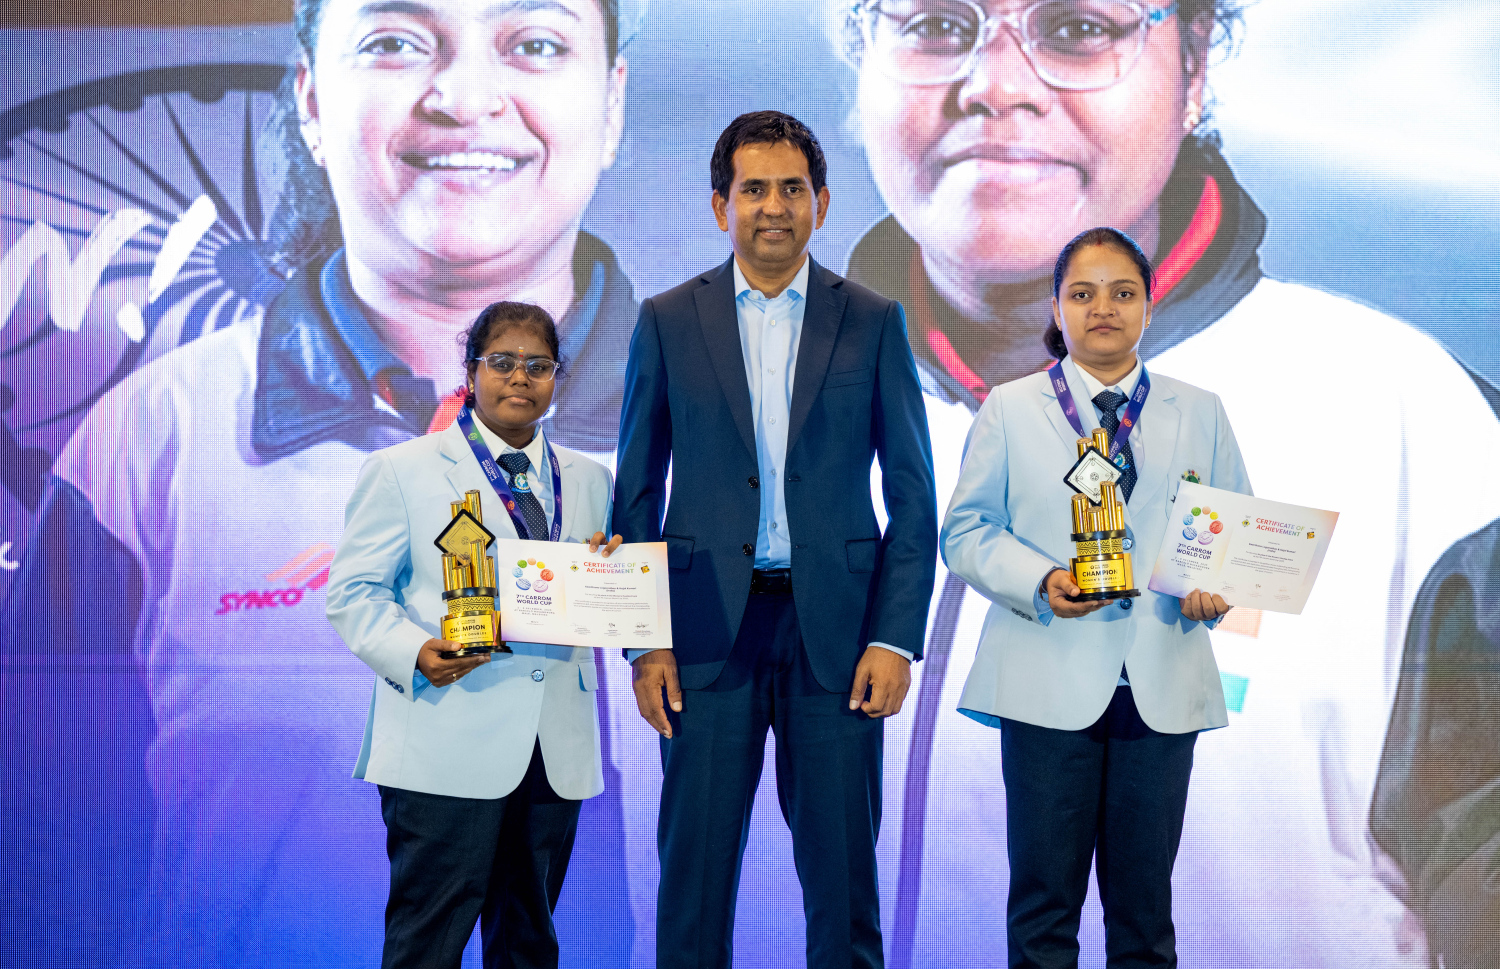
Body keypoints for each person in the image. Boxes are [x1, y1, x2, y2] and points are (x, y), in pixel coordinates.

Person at [829, 2, 1500, 963]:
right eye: (936, 22)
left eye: (1075, 29)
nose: (997, 85)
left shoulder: (1415, 434)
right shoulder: (738, 428)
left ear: (1194, 63)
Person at [0, 0, 641, 964]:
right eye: (395, 40)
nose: (465, 96)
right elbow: (43, 873)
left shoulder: (732, 441)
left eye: (535, 42)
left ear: (613, 103)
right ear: (308, 98)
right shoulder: (146, 442)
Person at [613, 110, 938, 969]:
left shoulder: (872, 319)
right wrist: (645, 642)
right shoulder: (666, 320)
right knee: (693, 890)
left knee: (844, 890)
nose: (773, 206)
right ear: (720, 205)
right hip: (702, 637)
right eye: (752, 188)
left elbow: (913, 497)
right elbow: (635, 494)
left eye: (792, 188)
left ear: (821, 204)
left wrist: (894, 638)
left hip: (839, 640)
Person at [943, 227, 1248, 966]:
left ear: (1150, 306)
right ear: (1056, 308)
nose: (1103, 308)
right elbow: (966, 531)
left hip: (1159, 683)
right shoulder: (1011, 408)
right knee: (1043, 911)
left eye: (1122, 292)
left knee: (1144, 917)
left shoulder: (1199, 410)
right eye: (1082, 293)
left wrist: (1219, 589)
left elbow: (1235, 535)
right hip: (1046, 678)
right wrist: (1038, 579)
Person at [326, 301, 622, 969]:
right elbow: (352, 591)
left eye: (539, 365)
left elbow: (599, 588)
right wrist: (413, 651)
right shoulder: (403, 469)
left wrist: (611, 575)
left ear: (558, 378)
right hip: (445, 732)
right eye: (503, 361)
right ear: (470, 372)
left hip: (552, 744)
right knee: (427, 944)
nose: (521, 377)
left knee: (528, 943)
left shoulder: (591, 479)